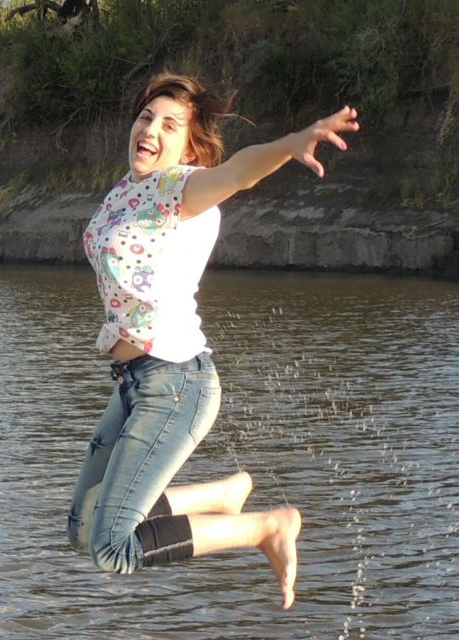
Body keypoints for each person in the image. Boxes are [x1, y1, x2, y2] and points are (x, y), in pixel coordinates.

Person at [68, 73, 359, 609]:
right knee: (83, 526)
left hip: (175, 383)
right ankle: (222, 495)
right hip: (134, 380)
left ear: (188, 147)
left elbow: (240, 172)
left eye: (169, 125)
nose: (150, 130)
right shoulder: (127, 191)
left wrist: (291, 144)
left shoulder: (182, 189)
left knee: (112, 547)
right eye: (146, 118)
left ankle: (265, 527)